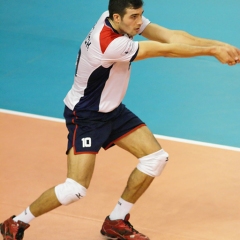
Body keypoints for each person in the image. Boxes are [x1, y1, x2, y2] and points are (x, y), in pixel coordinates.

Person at [1, 0, 240, 239]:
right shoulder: (110, 44)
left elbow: (170, 35)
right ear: (117, 18)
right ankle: (16, 222)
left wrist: (219, 45)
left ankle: (116, 220)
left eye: (141, 15)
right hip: (86, 116)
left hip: (113, 111)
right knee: (75, 189)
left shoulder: (114, 18)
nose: (139, 22)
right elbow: (165, 49)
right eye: (133, 17)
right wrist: (211, 51)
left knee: (155, 159)